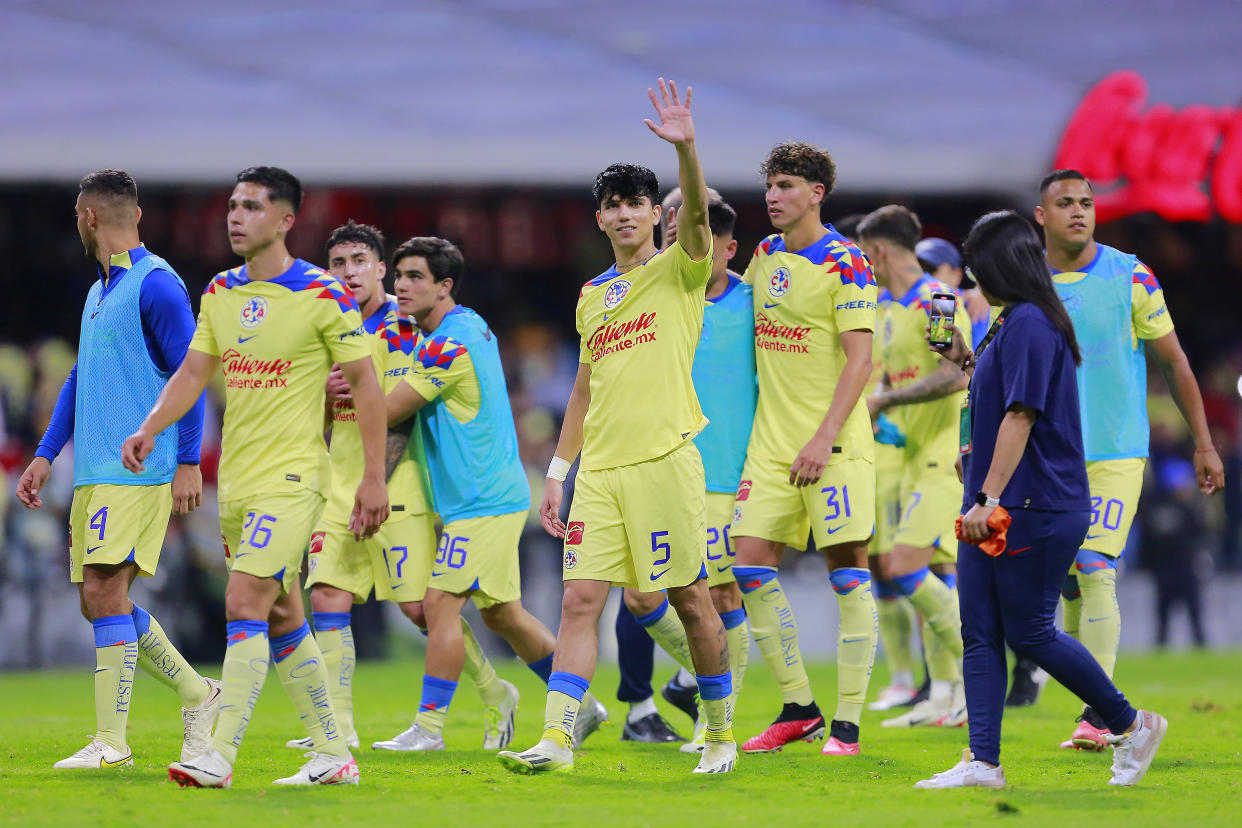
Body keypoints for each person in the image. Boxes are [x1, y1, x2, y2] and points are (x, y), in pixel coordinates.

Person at [122, 166, 390, 788]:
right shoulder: (219, 290)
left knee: (242, 601)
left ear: (286, 220)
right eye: (232, 206)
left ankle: (217, 754)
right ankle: (332, 753)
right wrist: (151, 426)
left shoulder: (324, 294)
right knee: (282, 616)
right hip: (237, 485)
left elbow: (367, 387)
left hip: (294, 479)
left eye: (250, 207)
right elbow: (192, 373)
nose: (234, 217)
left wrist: (372, 477)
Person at [499, 78, 736, 776]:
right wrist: (558, 473)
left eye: (636, 201)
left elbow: (696, 211)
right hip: (599, 471)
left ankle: (719, 731)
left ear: (652, 214)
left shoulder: (680, 270)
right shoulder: (593, 297)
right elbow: (581, 390)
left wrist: (687, 148)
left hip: (666, 460)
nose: (626, 213)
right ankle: (558, 739)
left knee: (689, 600)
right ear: (600, 219)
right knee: (578, 603)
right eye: (614, 204)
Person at [915, 209, 1167, 790]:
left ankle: (1133, 724)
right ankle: (983, 762)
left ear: (999, 264)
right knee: (978, 627)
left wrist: (987, 493)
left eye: (976, 267)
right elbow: (1001, 393)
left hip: (1035, 502)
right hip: (1002, 495)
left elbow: (1022, 413)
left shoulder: (1030, 322)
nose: (971, 281)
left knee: (1029, 631)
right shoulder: (1012, 322)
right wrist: (963, 363)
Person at [15, 169, 220, 770]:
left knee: (104, 591)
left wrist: (186, 460)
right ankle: (195, 691)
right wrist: (47, 454)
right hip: (96, 468)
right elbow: (82, 378)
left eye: (77, 216)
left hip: (139, 465)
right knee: (97, 599)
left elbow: (192, 373)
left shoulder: (157, 286)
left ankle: (112, 743)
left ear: (89, 217)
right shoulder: (100, 289)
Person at [288, 221, 515, 753]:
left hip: (399, 482)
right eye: (338, 264)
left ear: (380, 268)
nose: (348, 274)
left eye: (359, 262)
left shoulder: (406, 325)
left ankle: (494, 691)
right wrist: (322, 391)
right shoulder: (323, 326)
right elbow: (320, 418)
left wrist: (378, 482)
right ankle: (336, 730)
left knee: (422, 610)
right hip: (336, 482)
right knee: (326, 597)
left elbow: (405, 414)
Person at [381, 236, 605, 751]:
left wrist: (343, 388)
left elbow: (390, 410)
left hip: (483, 500)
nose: (401, 287)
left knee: (438, 603)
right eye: (398, 276)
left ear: (445, 286)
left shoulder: (446, 344)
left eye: (415, 277)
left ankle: (430, 729)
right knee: (502, 614)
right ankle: (583, 706)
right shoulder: (469, 324)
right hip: (489, 495)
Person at [1036, 170, 1224, 750]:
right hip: (1049, 455)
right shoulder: (1024, 280)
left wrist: (1203, 442)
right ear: (1040, 215)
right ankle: (1089, 707)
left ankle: (1100, 713)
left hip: (1116, 452)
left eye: (1086, 203)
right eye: (1064, 203)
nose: (1078, 212)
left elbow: (1175, 362)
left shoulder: (1129, 274)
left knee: (1095, 568)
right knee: (1065, 584)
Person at [731, 140, 879, 757]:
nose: (773, 196)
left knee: (848, 574)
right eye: (770, 185)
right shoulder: (764, 254)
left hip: (834, 446)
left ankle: (846, 722)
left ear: (817, 194)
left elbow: (861, 359)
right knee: (747, 566)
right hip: (769, 445)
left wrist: (823, 437)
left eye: (787, 184)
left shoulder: (847, 263)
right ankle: (800, 706)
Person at [858, 206, 972, 729]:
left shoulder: (938, 301)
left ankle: (973, 677)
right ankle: (943, 693)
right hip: (906, 457)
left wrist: (889, 400)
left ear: (880, 251)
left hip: (941, 457)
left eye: (866, 253)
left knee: (905, 568)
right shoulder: (887, 308)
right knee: (929, 578)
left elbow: (957, 373)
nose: (865, 263)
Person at [915, 237, 991, 350]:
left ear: (956, 275)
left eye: (930, 270)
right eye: (918, 270)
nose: (923, 279)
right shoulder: (896, 301)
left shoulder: (976, 306)